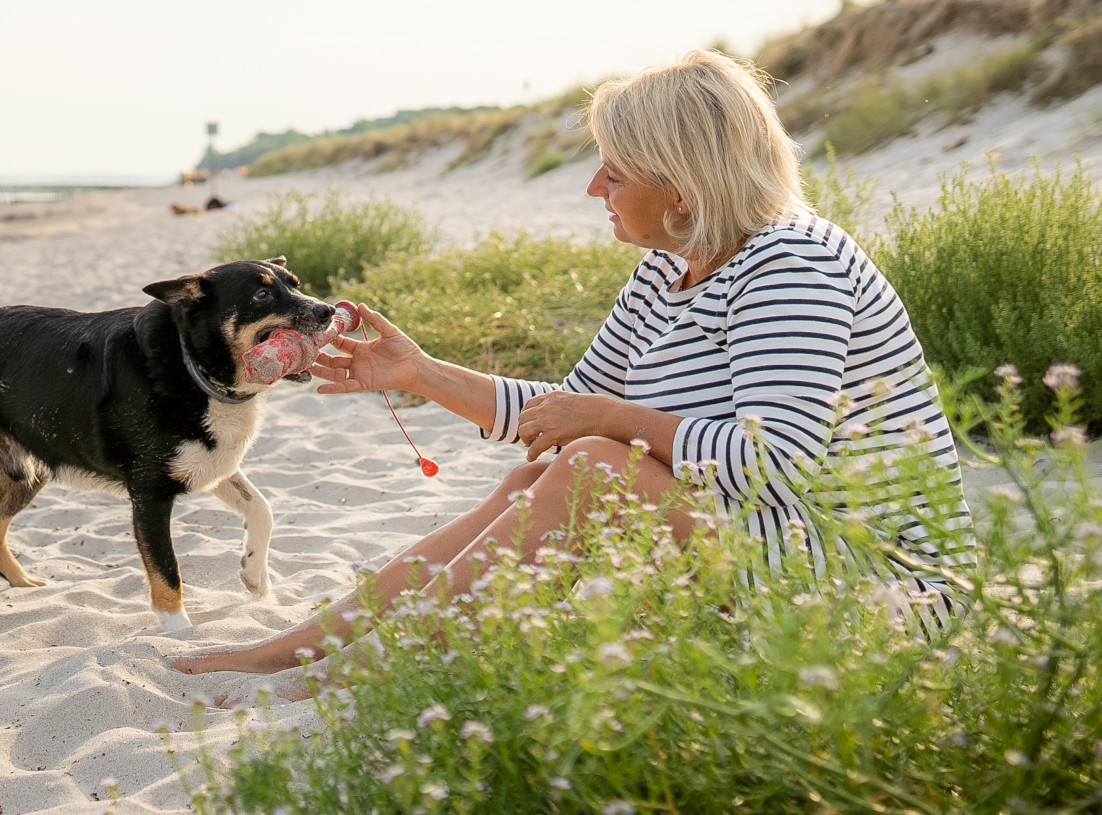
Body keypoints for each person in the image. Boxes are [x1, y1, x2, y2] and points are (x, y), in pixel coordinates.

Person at [173, 50, 973, 678]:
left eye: (614, 172)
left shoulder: (793, 267)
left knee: (595, 462)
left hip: (875, 582)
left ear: (685, 189)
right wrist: (418, 373)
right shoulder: (672, 262)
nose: (594, 186)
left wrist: (609, 422)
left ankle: (371, 669)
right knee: (543, 475)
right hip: (771, 543)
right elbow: (570, 407)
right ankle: (304, 648)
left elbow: (775, 464)